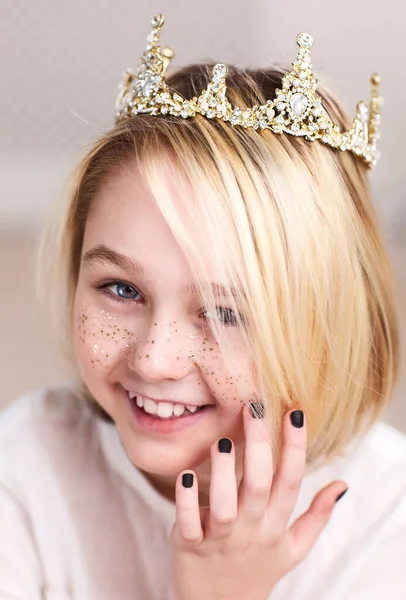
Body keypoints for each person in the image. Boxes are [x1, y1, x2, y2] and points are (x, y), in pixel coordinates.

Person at [1, 12, 405, 600]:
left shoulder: (386, 519)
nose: (156, 359)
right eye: (121, 289)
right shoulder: (26, 473)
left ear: (330, 325)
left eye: (227, 314)